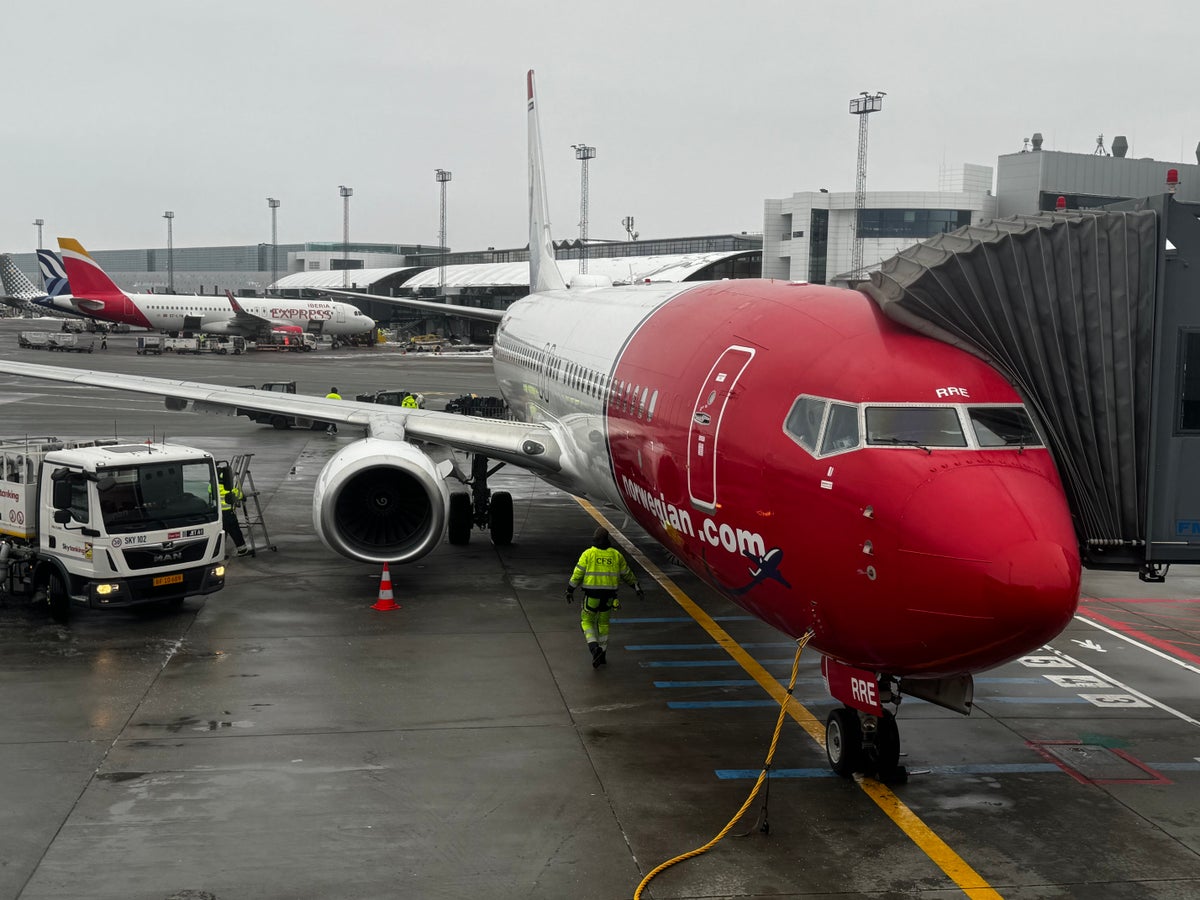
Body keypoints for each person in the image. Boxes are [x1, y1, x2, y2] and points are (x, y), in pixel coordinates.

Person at [566, 526, 643, 668]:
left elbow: (578, 574)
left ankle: (594, 648)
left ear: (595, 539)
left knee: (586, 622)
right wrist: (636, 586)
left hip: (592, 597)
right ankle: (602, 655)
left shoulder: (588, 554)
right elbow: (627, 574)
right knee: (603, 625)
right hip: (609, 597)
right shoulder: (616, 555)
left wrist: (570, 590)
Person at [217, 465, 248, 557]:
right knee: (235, 531)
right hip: (228, 514)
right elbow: (240, 495)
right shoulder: (229, 489)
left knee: (221, 533)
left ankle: (218, 553)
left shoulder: (212, 487)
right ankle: (242, 550)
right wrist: (243, 497)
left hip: (218, 515)